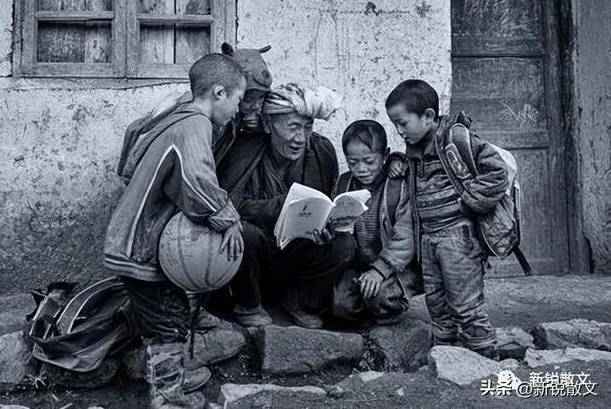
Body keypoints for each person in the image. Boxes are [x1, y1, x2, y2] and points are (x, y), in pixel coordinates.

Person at [104, 54, 246, 407]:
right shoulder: (195, 125)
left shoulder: (174, 118)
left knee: (169, 314)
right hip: (140, 245)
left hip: (134, 241)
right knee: (167, 322)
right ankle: (168, 398)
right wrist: (227, 217)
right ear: (219, 93)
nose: (238, 110)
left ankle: (171, 375)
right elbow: (196, 180)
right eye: (238, 100)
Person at [385, 79, 508, 358]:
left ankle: (486, 358)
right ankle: (445, 358)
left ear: (428, 116)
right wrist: (396, 161)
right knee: (437, 306)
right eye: (395, 125)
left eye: (402, 123)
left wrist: (469, 202)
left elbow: (497, 172)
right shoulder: (414, 149)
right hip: (429, 239)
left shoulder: (456, 138)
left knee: (465, 306)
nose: (399, 131)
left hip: (458, 239)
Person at [216, 83, 356, 329]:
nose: (300, 138)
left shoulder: (320, 152)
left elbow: (324, 202)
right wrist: (277, 207)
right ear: (268, 125)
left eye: (307, 127)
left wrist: (326, 226)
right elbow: (227, 205)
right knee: (245, 234)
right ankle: (248, 304)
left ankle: (301, 301)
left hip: (296, 250)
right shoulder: (244, 151)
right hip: (255, 255)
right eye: (292, 127)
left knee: (344, 244)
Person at [331, 120, 422, 326]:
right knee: (340, 306)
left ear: (385, 155)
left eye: (369, 161)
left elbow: (405, 236)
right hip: (361, 263)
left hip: (397, 265)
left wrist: (381, 270)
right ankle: (368, 307)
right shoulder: (344, 183)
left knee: (380, 297)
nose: (361, 169)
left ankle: (392, 302)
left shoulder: (397, 186)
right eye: (353, 162)